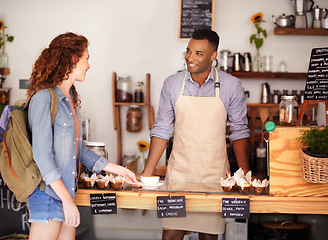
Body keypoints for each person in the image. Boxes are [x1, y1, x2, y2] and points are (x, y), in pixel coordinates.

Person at [26, 32, 140, 240]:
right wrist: (67, 201)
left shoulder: (70, 100)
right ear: (72, 59)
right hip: (49, 197)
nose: (89, 65)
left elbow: (80, 150)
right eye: (86, 58)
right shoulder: (43, 99)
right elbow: (43, 157)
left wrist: (119, 171)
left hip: (66, 195)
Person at [141, 29, 250, 240]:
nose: (190, 58)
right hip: (178, 176)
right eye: (188, 51)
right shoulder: (172, 84)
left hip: (214, 176)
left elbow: (240, 132)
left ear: (213, 55)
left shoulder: (231, 85)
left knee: (209, 237)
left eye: (199, 53)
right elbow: (162, 129)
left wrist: (244, 176)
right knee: (171, 235)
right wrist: (148, 172)